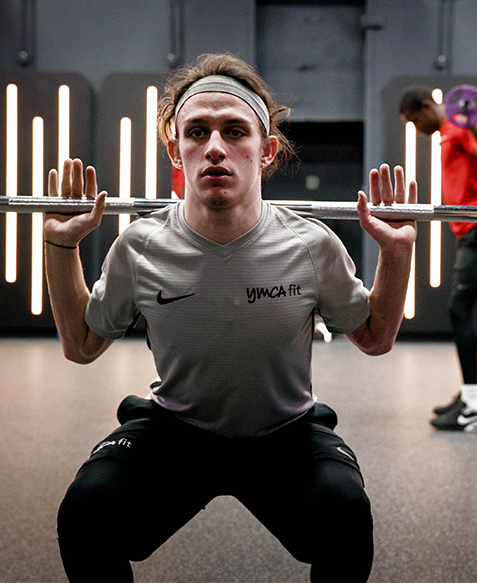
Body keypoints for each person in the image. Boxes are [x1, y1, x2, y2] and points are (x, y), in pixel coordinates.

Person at [43, 53, 418, 582]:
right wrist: (60, 247)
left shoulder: (310, 245)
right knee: (87, 510)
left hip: (284, 434)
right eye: (197, 132)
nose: (214, 147)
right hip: (177, 429)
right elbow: (81, 345)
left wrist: (397, 254)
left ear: (265, 152)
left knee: (345, 512)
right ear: (176, 150)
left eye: (234, 131)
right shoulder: (140, 246)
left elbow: (375, 337)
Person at [400, 87, 477, 432]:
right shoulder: (446, 133)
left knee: (458, 310)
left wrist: (473, 125)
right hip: (467, 232)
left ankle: (474, 406)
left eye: (415, 120)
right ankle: (470, 396)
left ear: (428, 106)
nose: (417, 128)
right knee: (460, 310)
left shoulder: (458, 128)